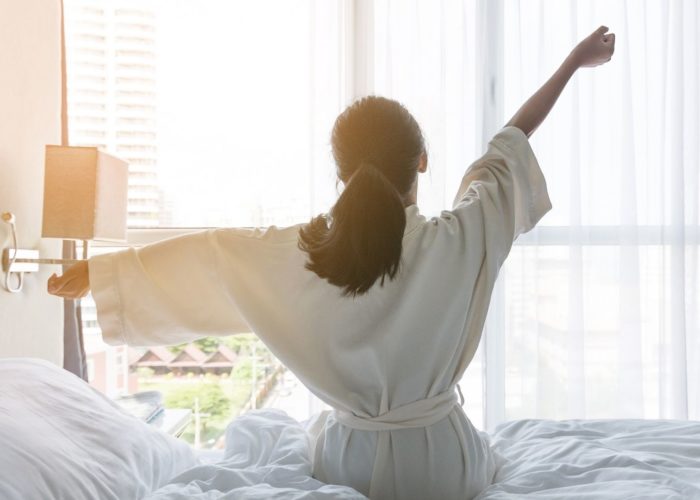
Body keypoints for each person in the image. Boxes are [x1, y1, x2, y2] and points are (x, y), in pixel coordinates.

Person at [48, 26, 615, 500]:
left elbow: (213, 253)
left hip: (350, 462)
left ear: (340, 174)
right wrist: (572, 62)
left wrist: (101, 274)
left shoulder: (303, 252)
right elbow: (508, 144)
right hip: (445, 467)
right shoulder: (461, 236)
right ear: (422, 160)